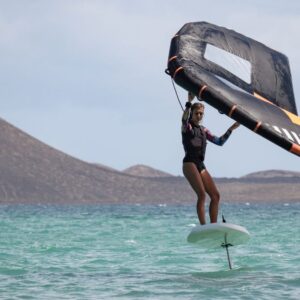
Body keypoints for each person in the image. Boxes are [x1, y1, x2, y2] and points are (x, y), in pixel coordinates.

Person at [182, 92, 239, 225]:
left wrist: (231, 129)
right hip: (189, 162)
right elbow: (184, 120)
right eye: (197, 113)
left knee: (215, 196)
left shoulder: (203, 130)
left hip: (200, 164)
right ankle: (203, 226)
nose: (199, 116)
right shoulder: (187, 127)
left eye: (201, 113)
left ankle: (213, 226)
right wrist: (189, 103)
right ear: (192, 113)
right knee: (201, 195)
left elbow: (219, 142)